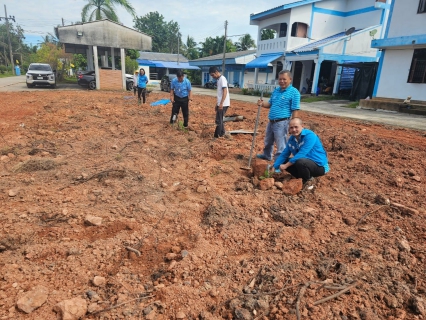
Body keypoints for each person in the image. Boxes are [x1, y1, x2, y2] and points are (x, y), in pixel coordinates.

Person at [256, 70, 301, 161]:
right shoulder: (276, 91)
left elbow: (295, 109)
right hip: (271, 121)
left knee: (281, 144)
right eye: (280, 79)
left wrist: (293, 125)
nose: (281, 81)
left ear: (290, 79)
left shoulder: (294, 92)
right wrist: (262, 104)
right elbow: (270, 104)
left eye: (284, 79)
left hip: (282, 122)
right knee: (268, 141)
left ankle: (279, 162)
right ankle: (267, 155)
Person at [273, 117, 329, 184]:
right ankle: (300, 177)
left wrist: (286, 165)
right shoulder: (291, 139)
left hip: (319, 165)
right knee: (284, 160)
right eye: (291, 127)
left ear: (302, 126)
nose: (294, 130)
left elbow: (302, 153)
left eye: (296, 127)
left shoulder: (310, 136)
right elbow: (285, 153)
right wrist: (275, 166)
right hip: (305, 163)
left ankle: (307, 182)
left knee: (300, 161)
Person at [209, 66, 230, 138]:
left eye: (213, 75)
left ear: (216, 72)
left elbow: (225, 91)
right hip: (221, 103)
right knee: (220, 119)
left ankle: (217, 136)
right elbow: (220, 94)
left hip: (223, 104)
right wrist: (217, 104)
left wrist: (221, 104)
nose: (212, 77)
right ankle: (222, 133)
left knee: (218, 120)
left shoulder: (222, 79)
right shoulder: (219, 80)